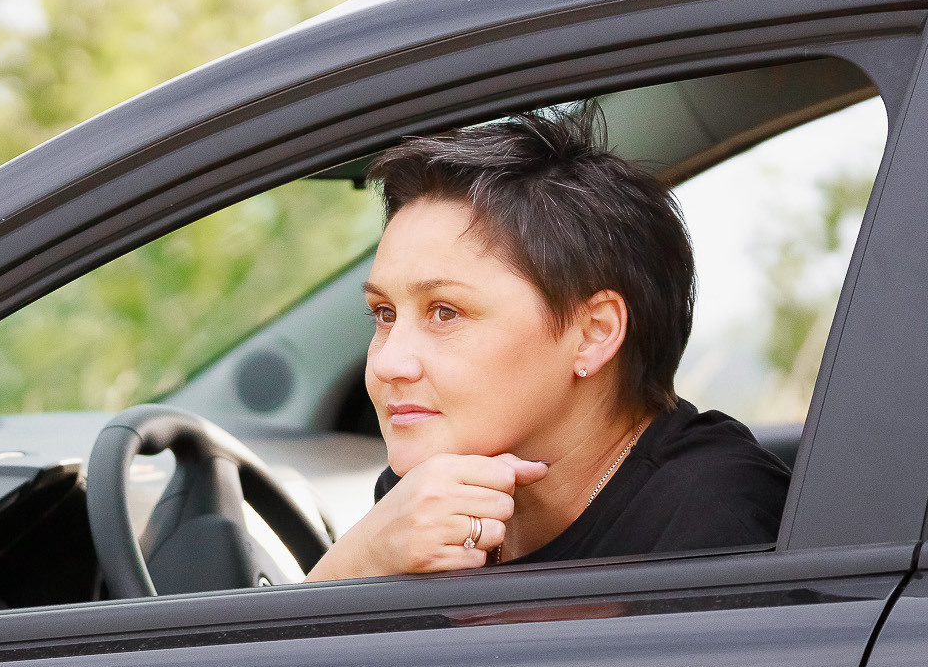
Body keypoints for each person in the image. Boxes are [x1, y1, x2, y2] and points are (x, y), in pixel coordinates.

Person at [305, 107, 789, 582]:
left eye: (445, 312)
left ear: (593, 333)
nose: (389, 362)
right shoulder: (429, 489)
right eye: (384, 314)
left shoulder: (713, 525)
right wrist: (363, 556)